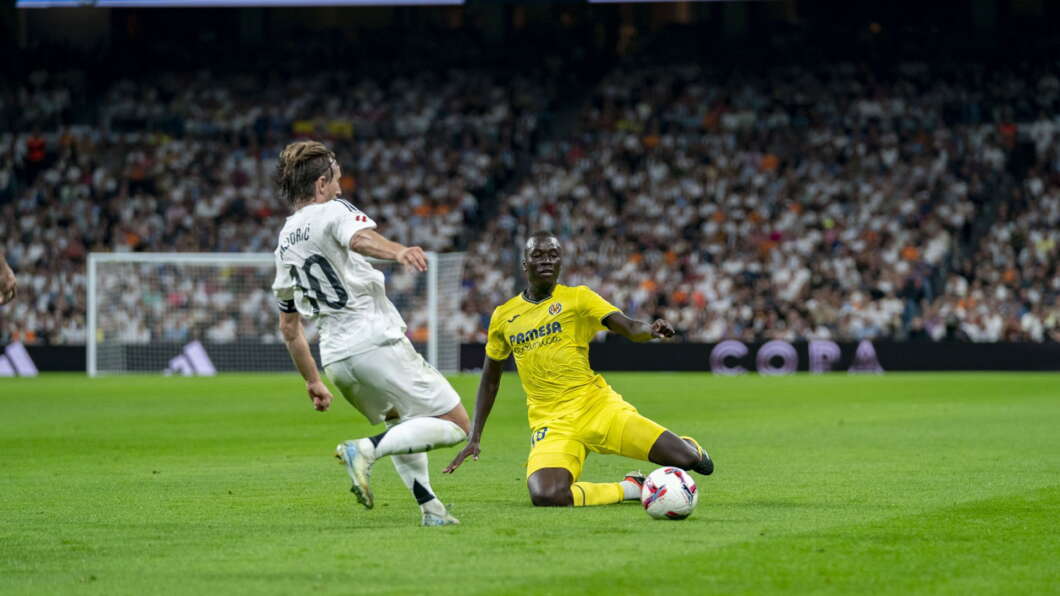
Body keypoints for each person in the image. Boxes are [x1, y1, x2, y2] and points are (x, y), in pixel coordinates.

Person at [271, 140, 470, 526]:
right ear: (321, 183)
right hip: (374, 342)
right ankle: (363, 449)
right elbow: (358, 238)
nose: (341, 190)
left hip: (336, 361)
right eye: (338, 181)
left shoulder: (283, 244)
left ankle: (431, 509)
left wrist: (312, 381)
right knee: (458, 425)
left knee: (404, 425)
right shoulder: (331, 210)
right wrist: (397, 251)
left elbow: (289, 327)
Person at [444, 231, 713, 507]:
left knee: (687, 460)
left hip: (597, 408)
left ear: (561, 262)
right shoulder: (504, 316)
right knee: (546, 495)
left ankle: (689, 446)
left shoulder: (578, 299)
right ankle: (631, 488)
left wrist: (651, 331)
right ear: (525, 264)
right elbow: (490, 378)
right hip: (551, 423)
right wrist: (475, 435)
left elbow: (629, 327)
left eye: (553, 255)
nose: (547, 260)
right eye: (538, 255)